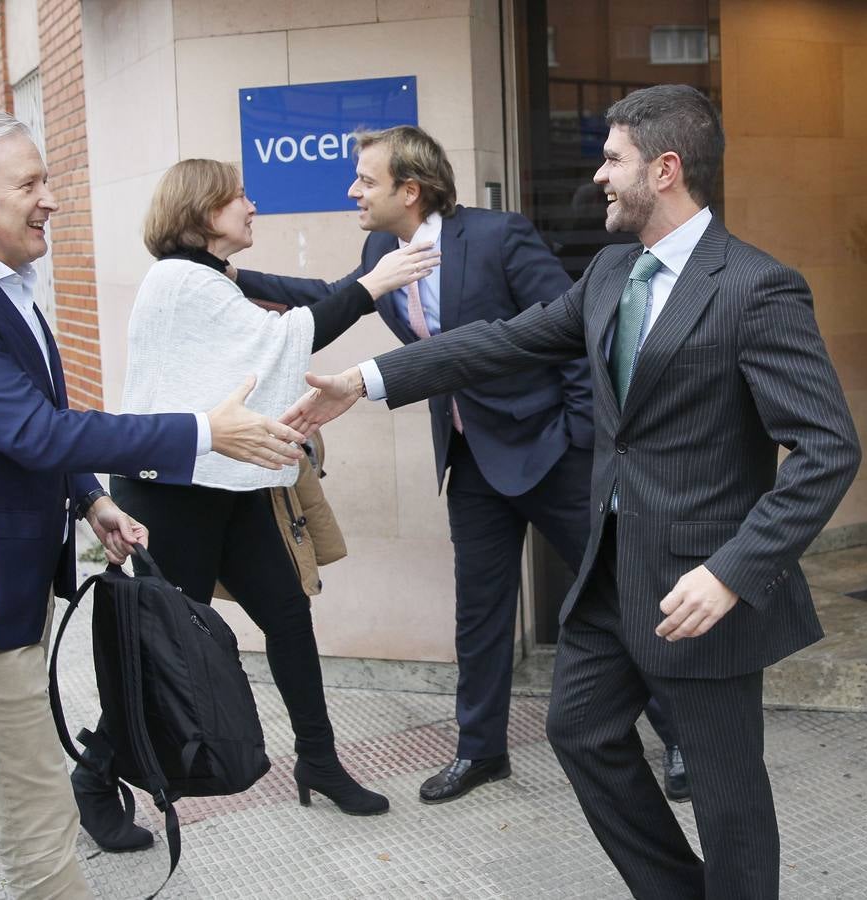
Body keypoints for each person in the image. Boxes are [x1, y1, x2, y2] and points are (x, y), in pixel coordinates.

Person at [279, 84, 862, 898]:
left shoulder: (755, 287)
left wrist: (733, 570)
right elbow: (501, 341)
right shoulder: (612, 271)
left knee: (727, 797)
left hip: (702, 585)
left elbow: (828, 449)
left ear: (664, 170)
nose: (597, 176)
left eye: (611, 159)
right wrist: (366, 378)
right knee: (580, 729)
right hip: (608, 575)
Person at [0, 109, 305, 899]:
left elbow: (17, 426)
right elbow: (36, 430)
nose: (50, 200)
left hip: (4, 588)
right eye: (29, 183)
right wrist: (205, 430)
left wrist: (90, 500)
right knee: (39, 835)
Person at [233, 125, 686, 805]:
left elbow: (573, 329)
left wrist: (576, 436)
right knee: (478, 611)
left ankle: (681, 734)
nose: (353, 191)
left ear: (409, 190)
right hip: (469, 458)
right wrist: (232, 277)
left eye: (366, 180)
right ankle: (481, 751)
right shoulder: (380, 248)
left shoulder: (498, 236)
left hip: (549, 452)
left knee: (616, 594)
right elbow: (333, 291)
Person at [70, 157, 441, 843]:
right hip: (172, 493)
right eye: (237, 196)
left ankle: (321, 761)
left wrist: (361, 285)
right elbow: (278, 342)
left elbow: (299, 307)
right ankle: (93, 775)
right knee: (167, 651)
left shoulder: (213, 280)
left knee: (288, 618)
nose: (251, 206)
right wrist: (370, 287)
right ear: (202, 211)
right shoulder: (180, 279)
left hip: (235, 484)